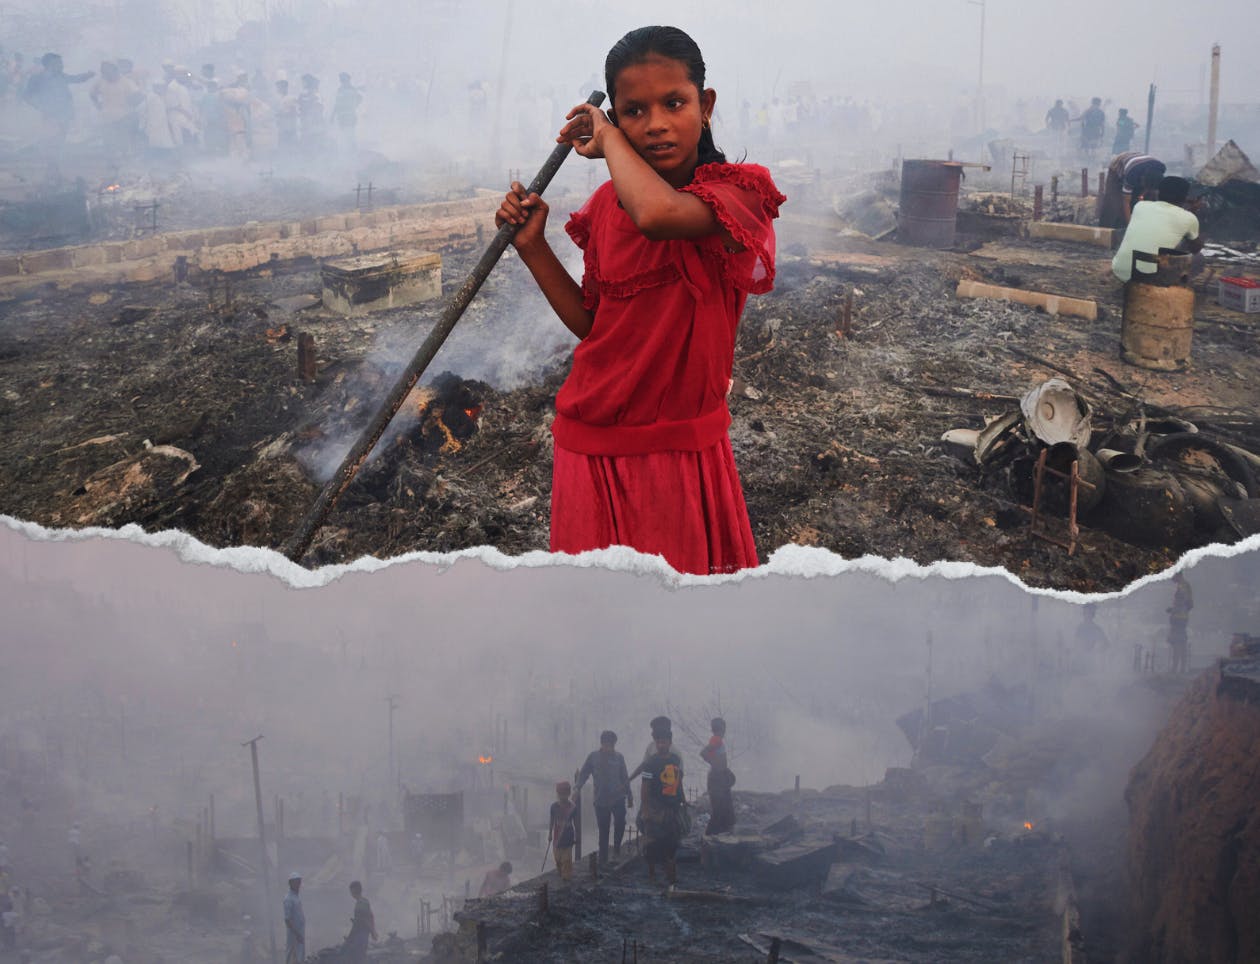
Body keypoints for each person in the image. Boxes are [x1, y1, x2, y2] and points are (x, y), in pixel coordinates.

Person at [495, 25, 785, 576]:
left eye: (673, 103)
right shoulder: (608, 206)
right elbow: (594, 326)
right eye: (632, 111)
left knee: (683, 627)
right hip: (590, 440)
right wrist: (533, 248)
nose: (654, 124)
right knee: (600, 625)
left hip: (683, 446)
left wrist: (607, 139)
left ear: (706, 105)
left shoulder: (737, 193)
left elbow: (659, 216)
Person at [1111, 176, 1202, 284]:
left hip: (1120, 271)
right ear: (1185, 197)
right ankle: (1178, 286)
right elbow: (1195, 248)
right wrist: (1194, 211)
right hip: (1151, 280)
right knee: (1199, 258)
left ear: (1158, 192)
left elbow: (1166, 217)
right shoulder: (1190, 218)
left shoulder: (1140, 206)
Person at [636, 716, 683, 884]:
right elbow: (645, 787)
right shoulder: (650, 763)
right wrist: (646, 810)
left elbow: (678, 782)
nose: (662, 745)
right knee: (652, 842)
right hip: (655, 807)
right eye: (659, 742)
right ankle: (651, 874)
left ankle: (670, 874)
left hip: (671, 807)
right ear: (655, 743)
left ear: (670, 742)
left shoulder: (675, 760)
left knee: (671, 841)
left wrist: (681, 800)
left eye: (664, 742)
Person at [575, 730, 634, 864]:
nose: (609, 748)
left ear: (614, 745)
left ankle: (617, 849)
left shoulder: (619, 758)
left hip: (618, 798)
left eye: (611, 745)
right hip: (601, 800)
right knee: (603, 830)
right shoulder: (593, 757)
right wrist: (577, 788)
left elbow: (624, 777)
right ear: (601, 744)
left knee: (620, 823)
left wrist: (629, 795)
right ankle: (603, 860)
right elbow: (583, 774)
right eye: (606, 745)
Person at [23, 53, 94, 143]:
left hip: (65, 112)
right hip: (50, 114)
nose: (62, 66)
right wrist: (40, 106)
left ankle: (59, 153)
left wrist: (87, 75)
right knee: (50, 139)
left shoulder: (60, 75)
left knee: (62, 138)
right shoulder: (37, 78)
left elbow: (74, 79)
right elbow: (26, 96)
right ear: (49, 65)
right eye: (59, 63)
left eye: (61, 63)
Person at [1099, 151, 1166, 229]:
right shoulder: (1131, 175)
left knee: (1148, 197)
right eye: (1144, 185)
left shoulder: (1160, 169)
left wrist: (1142, 195)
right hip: (1117, 167)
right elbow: (1126, 202)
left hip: (1140, 166)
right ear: (1142, 178)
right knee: (1114, 202)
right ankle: (1106, 229)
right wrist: (1130, 227)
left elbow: (1151, 188)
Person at [699, 717, 735, 835]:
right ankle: (710, 835)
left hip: (720, 777)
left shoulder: (716, 739)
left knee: (725, 806)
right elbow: (704, 753)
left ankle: (722, 832)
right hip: (717, 779)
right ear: (721, 729)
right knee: (719, 808)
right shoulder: (716, 740)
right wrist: (715, 765)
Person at [548, 781, 577, 880]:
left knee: (567, 859)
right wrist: (549, 834)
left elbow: (576, 823)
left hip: (568, 836)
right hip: (557, 837)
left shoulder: (573, 808)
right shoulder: (553, 807)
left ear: (568, 794)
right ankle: (561, 873)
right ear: (558, 794)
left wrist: (576, 836)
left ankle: (566, 878)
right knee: (558, 859)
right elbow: (552, 821)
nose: (563, 796)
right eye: (561, 794)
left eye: (565, 794)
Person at [342, 880, 376, 963]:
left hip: (360, 935)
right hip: (363, 934)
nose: (351, 893)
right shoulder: (365, 901)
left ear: (354, 890)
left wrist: (350, 938)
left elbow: (361, 922)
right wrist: (373, 931)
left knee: (356, 958)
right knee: (360, 957)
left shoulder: (360, 904)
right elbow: (370, 917)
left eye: (351, 890)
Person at [1167, 571, 1194, 673]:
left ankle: (1176, 668)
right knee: (1180, 643)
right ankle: (1180, 668)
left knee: (1177, 643)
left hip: (1179, 618)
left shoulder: (1182, 586)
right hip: (1181, 618)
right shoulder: (1183, 585)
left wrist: (1174, 610)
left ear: (1178, 575)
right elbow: (1188, 604)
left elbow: (1184, 602)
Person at [331, 72, 363, 152]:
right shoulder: (348, 89)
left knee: (349, 134)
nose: (341, 81)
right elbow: (359, 98)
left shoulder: (344, 89)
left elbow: (337, 104)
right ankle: (349, 150)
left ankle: (351, 150)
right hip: (345, 115)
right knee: (347, 134)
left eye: (342, 79)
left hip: (347, 115)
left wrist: (332, 115)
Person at [282, 872, 305, 963]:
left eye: (299, 882)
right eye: (296, 882)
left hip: (299, 932)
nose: (298, 884)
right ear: (290, 883)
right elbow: (287, 920)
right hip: (294, 933)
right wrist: (297, 934)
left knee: (299, 955)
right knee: (292, 954)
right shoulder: (288, 899)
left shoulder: (296, 897)